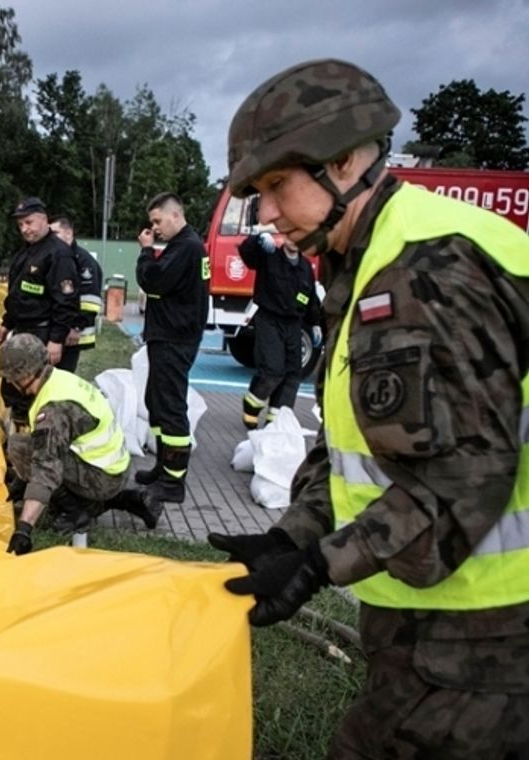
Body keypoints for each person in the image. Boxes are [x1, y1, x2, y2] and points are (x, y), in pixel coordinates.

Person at [207, 58, 529, 758]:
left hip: (486, 643)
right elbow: (371, 441)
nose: (264, 214)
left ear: (347, 161)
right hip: (437, 626)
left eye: (275, 187)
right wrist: (294, 532)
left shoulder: (425, 270)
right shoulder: (371, 257)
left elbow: (464, 482)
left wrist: (321, 564)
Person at [0, 334, 161, 555]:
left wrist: (24, 528)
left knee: (20, 447)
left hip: (103, 477)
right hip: (113, 468)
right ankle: (130, 500)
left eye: (10, 376)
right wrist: (21, 481)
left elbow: (46, 471)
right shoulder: (59, 379)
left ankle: (75, 513)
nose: (8, 382)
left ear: (24, 373)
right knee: (36, 448)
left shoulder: (54, 410)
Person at [133, 193, 210, 504]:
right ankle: (163, 466)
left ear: (175, 216)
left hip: (175, 338)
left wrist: (146, 252)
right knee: (156, 400)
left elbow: (153, 280)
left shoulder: (186, 247)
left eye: (158, 221)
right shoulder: (183, 246)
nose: (155, 227)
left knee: (171, 407)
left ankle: (173, 482)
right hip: (168, 336)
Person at [0, 197, 80, 425]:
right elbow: (18, 293)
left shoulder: (58, 253)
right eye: (21, 225)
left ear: (44, 220)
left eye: (29, 222)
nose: (25, 229)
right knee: (14, 387)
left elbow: (66, 301)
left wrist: (56, 339)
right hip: (22, 330)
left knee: (34, 390)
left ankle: (33, 445)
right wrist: (7, 323)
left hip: (42, 334)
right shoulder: (26, 253)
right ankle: (18, 438)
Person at [237, 231, 321, 429]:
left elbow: (309, 298)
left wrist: (316, 322)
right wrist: (257, 240)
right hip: (269, 319)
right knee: (272, 370)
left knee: (293, 373)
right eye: (291, 235)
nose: (294, 241)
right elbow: (247, 254)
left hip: (293, 324)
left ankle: (276, 423)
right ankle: (252, 404)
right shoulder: (269, 256)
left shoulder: (305, 267)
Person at [50, 215, 104, 368]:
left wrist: (77, 327)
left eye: (55, 233)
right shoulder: (58, 256)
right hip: (59, 328)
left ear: (69, 233)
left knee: (63, 376)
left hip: (73, 333)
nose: (51, 239)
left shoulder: (83, 260)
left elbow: (90, 299)